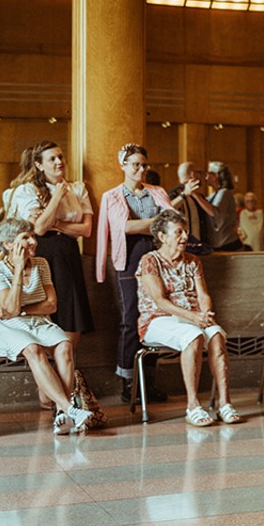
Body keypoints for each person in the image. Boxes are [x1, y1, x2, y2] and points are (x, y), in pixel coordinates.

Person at [0, 218, 96, 434]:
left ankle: (62, 414)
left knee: (65, 346)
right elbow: (10, 308)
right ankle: (69, 409)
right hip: (5, 326)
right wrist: (18, 271)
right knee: (33, 349)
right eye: (25, 238)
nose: (33, 241)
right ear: (8, 244)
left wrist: (21, 310)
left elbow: (51, 305)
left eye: (33, 236)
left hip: (37, 322)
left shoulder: (41, 264)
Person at [136, 210, 244, 425]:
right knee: (194, 336)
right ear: (162, 236)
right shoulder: (150, 260)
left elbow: (203, 295)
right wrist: (194, 318)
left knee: (216, 336)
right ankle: (193, 406)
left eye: (186, 231)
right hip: (158, 320)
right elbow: (160, 301)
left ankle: (224, 403)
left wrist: (205, 315)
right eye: (178, 232)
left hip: (192, 318)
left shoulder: (193, 261)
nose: (185, 237)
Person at [96, 143, 176, 402]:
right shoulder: (112, 196)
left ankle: (148, 381)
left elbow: (172, 222)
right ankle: (128, 382)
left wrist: (143, 225)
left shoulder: (157, 191)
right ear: (123, 166)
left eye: (143, 165)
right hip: (128, 259)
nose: (140, 169)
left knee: (154, 318)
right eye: (135, 164)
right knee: (130, 319)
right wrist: (155, 224)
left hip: (157, 259)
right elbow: (122, 229)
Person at [9, 141, 96, 345]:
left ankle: (69, 365)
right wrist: (57, 196)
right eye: (52, 159)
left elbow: (86, 230)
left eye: (61, 157)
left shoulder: (78, 188)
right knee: (45, 307)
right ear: (39, 165)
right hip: (41, 251)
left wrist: (54, 223)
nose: (59, 162)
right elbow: (39, 229)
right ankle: (50, 367)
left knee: (71, 311)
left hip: (68, 252)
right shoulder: (27, 190)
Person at [168, 162, 215, 254]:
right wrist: (183, 195)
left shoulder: (199, 196)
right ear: (192, 174)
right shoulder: (174, 194)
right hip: (181, 247)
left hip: (199, 247)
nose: (202, 177)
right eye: (200, 173)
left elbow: (212, 213)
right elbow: (167, 210)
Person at [204, 161, 244, 251]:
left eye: (208, 174)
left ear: (215, 176)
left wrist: (194, 195)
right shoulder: (214, 194)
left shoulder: (224, 193)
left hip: (228, 245)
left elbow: (214, 212)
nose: (206, 177)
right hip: (222, 244)